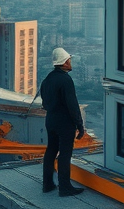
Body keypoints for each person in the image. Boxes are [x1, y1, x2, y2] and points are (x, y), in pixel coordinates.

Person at [40, 47, 86, 197]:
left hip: (50, 120)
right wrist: (80, 125)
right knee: (65, 154)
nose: (70, 62)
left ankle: (47, 184)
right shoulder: (66, 80)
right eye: (69, 60)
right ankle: (65, 187)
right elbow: (72, 105)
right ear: (65, 62)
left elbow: (45, 104)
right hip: (64, 123)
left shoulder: (47, 79)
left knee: (51, 151)